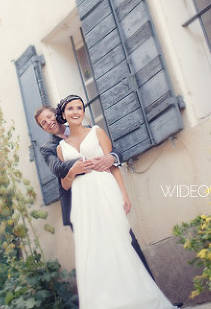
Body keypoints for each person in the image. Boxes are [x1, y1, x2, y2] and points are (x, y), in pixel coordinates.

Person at [54, 95, 175, 309]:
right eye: (71, 108)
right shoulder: (61, 148)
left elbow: (113, 164)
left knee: (118, 241)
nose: (76, 112)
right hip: (82, 199)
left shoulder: (96, 132)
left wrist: (123, 194)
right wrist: (72, 171)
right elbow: (65, 185)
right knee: (95, 249)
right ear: (63, 114)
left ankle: (139, 299)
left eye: (79, 108)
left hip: (104, 189)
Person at [34, 105, 155, 278]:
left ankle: (149, 287)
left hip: (102, 195)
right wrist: (87, 160)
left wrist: (110, 157)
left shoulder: (87, 130)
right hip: (78, 204)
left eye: (49, 117)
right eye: (43, 123)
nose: (48, 122)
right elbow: (58, 169)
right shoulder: (48, 147)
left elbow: (113, 151)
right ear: (42, 128)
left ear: (57, 114)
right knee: (98, 255)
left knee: (126, 239)